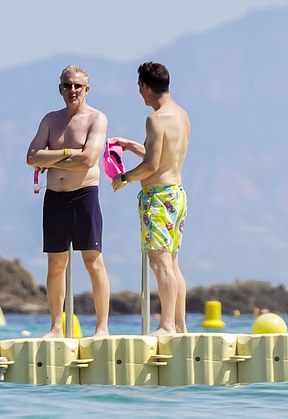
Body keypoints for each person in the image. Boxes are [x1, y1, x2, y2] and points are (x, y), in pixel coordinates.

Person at [26, 65, 110, 338]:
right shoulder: (51, 120)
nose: (72, 90)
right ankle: (56, 327)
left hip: (84, 194)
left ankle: (101, 327)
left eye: (77, 86)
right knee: (55, 263)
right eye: (67, 85)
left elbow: (89, 159)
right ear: (60, 88)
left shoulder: (97, 119)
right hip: (55, 198)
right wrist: (67, 152)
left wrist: (52, 156)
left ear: (86, 89)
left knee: (93, 261)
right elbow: (31, 158)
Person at [111, 62, 190, 335]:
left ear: (144, 86)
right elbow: (163, 154)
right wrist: (130, 145)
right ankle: (179, 325)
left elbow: (152, 166)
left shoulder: (155, 119)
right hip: (177, 194)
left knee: (159, 262)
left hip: (157, 197)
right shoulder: (181, 115)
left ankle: (167, 325)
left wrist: (124, 179)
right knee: (172, 262)